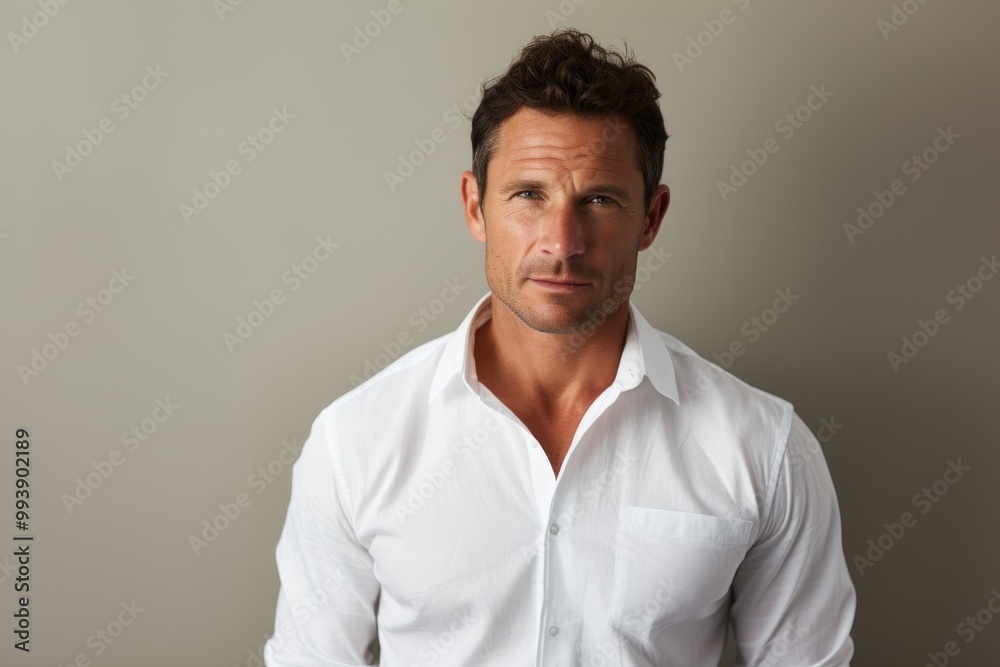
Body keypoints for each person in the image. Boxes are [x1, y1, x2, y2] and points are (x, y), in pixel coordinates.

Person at [263, 28, 856, 666]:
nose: (561, 241)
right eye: (528, 196)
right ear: (475, 206)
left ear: (651, 218)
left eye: (598, 200)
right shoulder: (355, 442)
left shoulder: (765, 449)